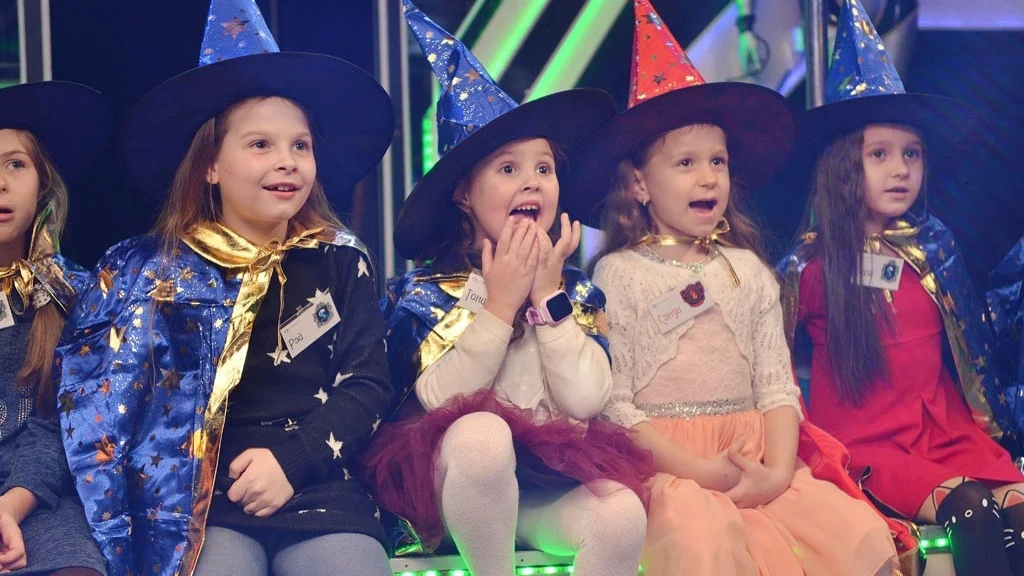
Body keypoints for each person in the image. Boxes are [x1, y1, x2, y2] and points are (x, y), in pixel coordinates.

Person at [55, 1, 396, 575]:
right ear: (210, 165)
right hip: (198, 505)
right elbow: (108, 410)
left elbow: (368, 383)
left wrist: (293, 462)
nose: (287, 162)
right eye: (260, 145)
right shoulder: (154, 273)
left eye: (300, 145)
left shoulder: (339, 258)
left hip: (318, 487)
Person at [569, 1, 900, 574]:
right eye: (686, 164)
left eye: (717, 162)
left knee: (855, 535)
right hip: (672, 471)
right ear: (639, 184)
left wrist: (776, 471)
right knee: (708, 544)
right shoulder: (620, 275)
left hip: (759, 459)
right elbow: (616, 405)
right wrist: (701, 472)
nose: (708, 177)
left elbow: (775, 387)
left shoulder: (747, 270)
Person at [363, 3, 653, 575]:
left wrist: (547, 298)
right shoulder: (425, 293)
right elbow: (439, 400)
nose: (532, 183)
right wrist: (498, 305)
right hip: (451, 492)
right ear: (463, 195)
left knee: (621, 512)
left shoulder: (575, 291)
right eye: (507, 169)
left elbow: (585, 401)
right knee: (482, 434)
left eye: (544, 168)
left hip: (541, 488)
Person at [777, 1, 1024, 574]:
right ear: (844, 166)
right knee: (972, 509)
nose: (901, 169)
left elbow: (977, 353)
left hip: (946, 435)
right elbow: (776, 370)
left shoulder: (933, 246)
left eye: (912, 154)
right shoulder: (809, 266)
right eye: (880, 155)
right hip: (867, 444)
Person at [0, 80, 109, 576]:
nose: (1, 183)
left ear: (43, 183)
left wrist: (11, 506)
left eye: (16, 164)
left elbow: (63, 428)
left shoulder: (75, 295)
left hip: (41, 495)